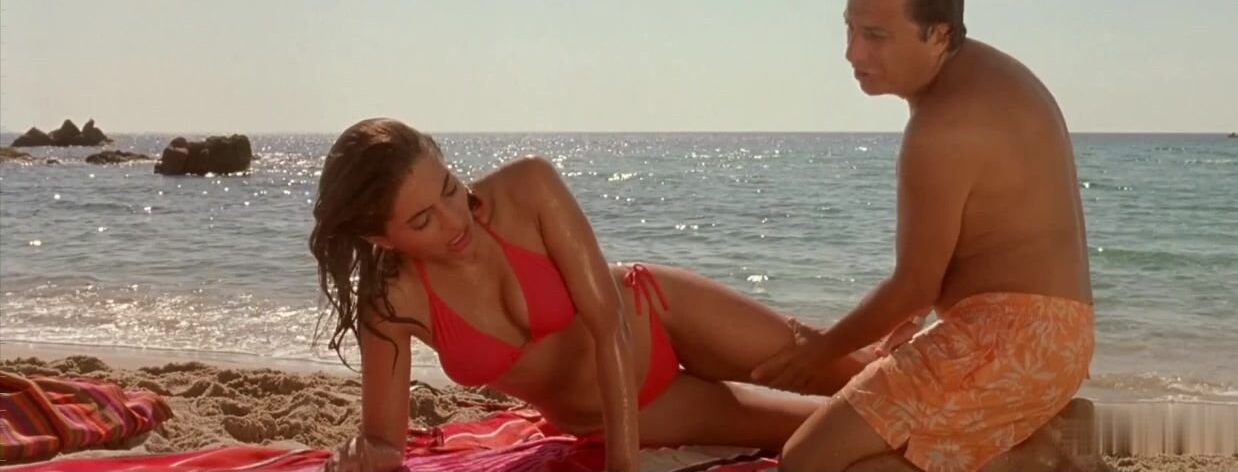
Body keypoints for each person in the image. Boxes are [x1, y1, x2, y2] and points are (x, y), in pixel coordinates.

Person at [310, 118, 899, 472]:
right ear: (379, 238)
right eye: (423, 221)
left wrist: (623, 466)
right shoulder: (391, 305)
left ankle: (912, 346)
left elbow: (608, 320)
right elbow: (385, 439)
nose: (454, 218)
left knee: (847, 371)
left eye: (448, 188)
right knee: (835, 426)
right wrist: (367, 457)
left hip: (656, 313)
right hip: (626, 410)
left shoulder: (527, 186)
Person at [752, 0, 1096, 472]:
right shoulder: (994, 74)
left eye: (875, 36)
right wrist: (902, 329)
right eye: (849, 28)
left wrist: (820, 350)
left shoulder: (940, 128)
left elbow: (916, 284)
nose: (852, 53)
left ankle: (1027, 458)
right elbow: (973, 240)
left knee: (806, 462)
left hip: (1008, 344)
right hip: (1057, 341)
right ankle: (1026, 441)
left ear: (938, 33)